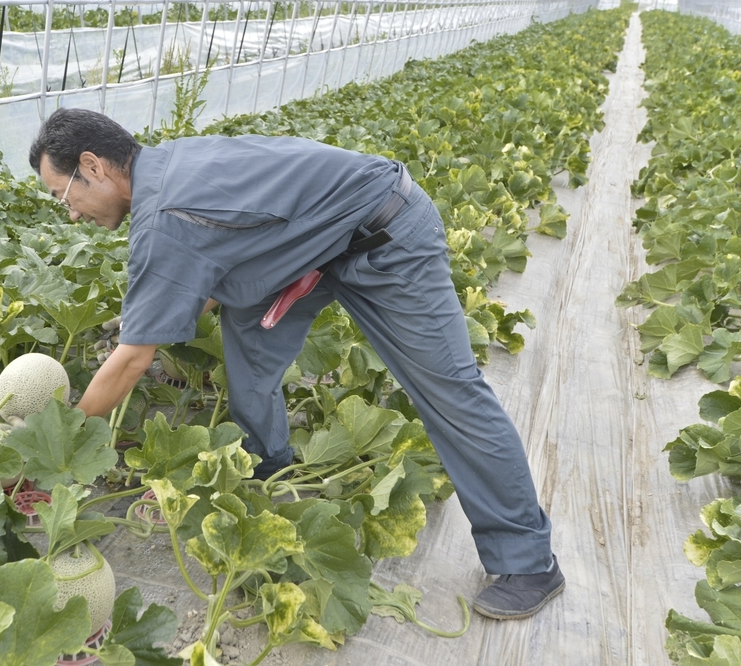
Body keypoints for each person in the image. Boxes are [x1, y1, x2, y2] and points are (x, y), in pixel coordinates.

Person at [28, 107, 564, 620]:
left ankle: (528, 562)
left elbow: (132, 362)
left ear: (93, 166)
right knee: (248, 351)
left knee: (450, 392)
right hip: (309, 248)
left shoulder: (163, 215)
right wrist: (153, 313)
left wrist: (64, 447)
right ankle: (268, 466)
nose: (71, 212)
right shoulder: (167, 166)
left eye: (63, 195)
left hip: (386, 232)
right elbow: (210, 270)